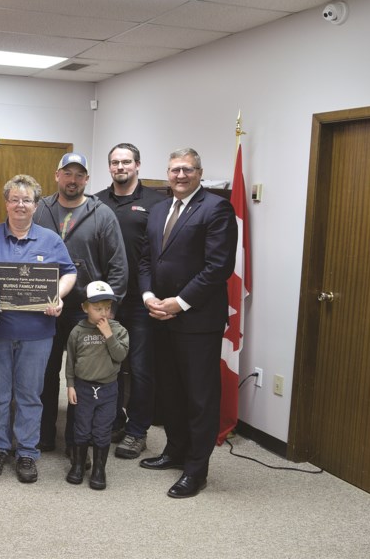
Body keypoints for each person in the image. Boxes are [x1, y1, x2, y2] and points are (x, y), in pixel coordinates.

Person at [139, 147, 237, 499]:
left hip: (196, 320)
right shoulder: (159, 209)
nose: (180, 176)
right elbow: (147, 259)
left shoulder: (216, 209)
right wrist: (149, 297)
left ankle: (196, 471)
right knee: (170, 392)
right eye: (174, 170)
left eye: (187, 169)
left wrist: (178, 303)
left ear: (199, 172)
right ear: (167, 173)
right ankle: (175, 451)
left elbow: (218, 267)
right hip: (159, 316)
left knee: (199, 397)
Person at [0, 175, 76, 483]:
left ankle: (27, 451)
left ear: (36, 205)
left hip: (37, 331)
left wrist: (58, 294)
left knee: (30, 394)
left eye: (27, 200)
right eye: (14, 199)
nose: (20, 205)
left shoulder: (50, 239)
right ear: (6, 203)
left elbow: (69, 273)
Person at [32, 152, 127, 454]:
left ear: (86, 179)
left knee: (84, 377)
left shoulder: (102, 214)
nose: (72, 180)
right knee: (44, 374)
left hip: (83, 312)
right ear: (57, 175)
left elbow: (118, 266)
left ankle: (77, 441)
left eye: (79, 174)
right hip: (44, 307)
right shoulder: (40, 210)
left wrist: (105, 312)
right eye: (67, 173)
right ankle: (43, 434)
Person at [95, 143, 168, 460]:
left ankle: (138, 431)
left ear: (137, 165)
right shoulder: (96, 202)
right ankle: (114, 421)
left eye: (126, 162)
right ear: (109, 167)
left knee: (139, 368)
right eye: (114, 162)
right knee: (106, 364)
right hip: (106, 298)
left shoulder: (157, 202)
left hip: (141, 299)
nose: (120, 167)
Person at [64, 281, 129, 490]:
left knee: (102, 430)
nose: (103, 313)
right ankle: (78, 465)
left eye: (107, 308)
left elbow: (121, 355)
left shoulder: (118, 330)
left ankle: (99, 469)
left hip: (108, 390)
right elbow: (71, 360)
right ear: (85, 307)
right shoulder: (78, 331)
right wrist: (70, 385)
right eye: (97, 308)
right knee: (81, 429)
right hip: (83, 388)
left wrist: (109, 335)